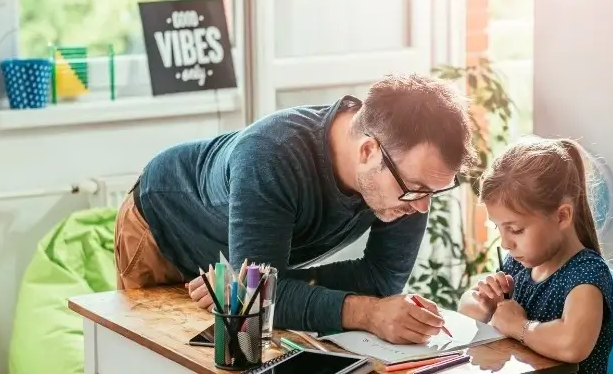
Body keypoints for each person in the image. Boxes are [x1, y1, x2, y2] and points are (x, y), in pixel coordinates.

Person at [114, 73, 477, 345]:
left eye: (435, 191)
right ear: (368, 151)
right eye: (416, 190)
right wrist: (366, 312)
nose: (423, 206)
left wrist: (241, 286)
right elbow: (256, 298)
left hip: (237, 264)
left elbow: (381, 280)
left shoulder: (407, 175)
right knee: (153, 358)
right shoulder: (270, 155)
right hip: (164, 229)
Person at [458, 136, 613, 373]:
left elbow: (572, 345)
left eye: (516, 230)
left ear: (562, 216)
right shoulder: (521, 264)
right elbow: (464, 307)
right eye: (498, 228)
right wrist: (486, 305)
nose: (505, 242)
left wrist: (518, 326)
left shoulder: (586, 274)